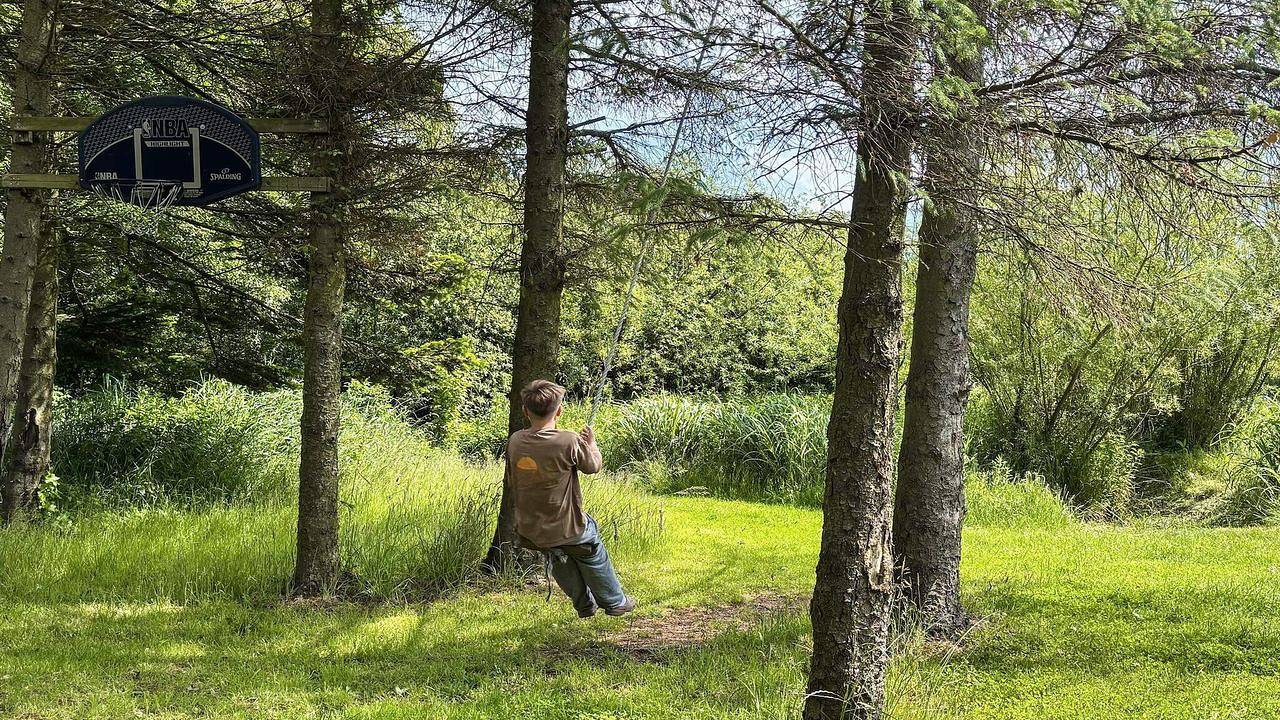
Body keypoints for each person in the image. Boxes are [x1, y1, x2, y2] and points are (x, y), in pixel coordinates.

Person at [505, 379, 637, 618]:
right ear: (559, 411)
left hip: (532, 528)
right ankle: (615, 601)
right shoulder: (568, 440)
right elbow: (593, 467)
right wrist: (591, 445)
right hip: (568, 525)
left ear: (525, 411)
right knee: (590, 550)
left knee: (558, 555)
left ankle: (584, 604)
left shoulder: (516, 441)